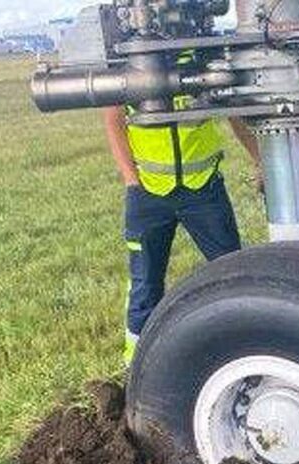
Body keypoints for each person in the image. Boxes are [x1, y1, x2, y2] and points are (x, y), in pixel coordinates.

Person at [104, 100, 261, 361]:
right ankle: (136, 363)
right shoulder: (132, 66)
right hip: (148, 194)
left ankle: (245, 349)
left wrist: (259, 159)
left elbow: (233, 114)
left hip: (204, 191)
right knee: (145, 282)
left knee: (232, 272)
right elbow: (113, 119)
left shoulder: (201, 62)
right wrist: (131, 179)